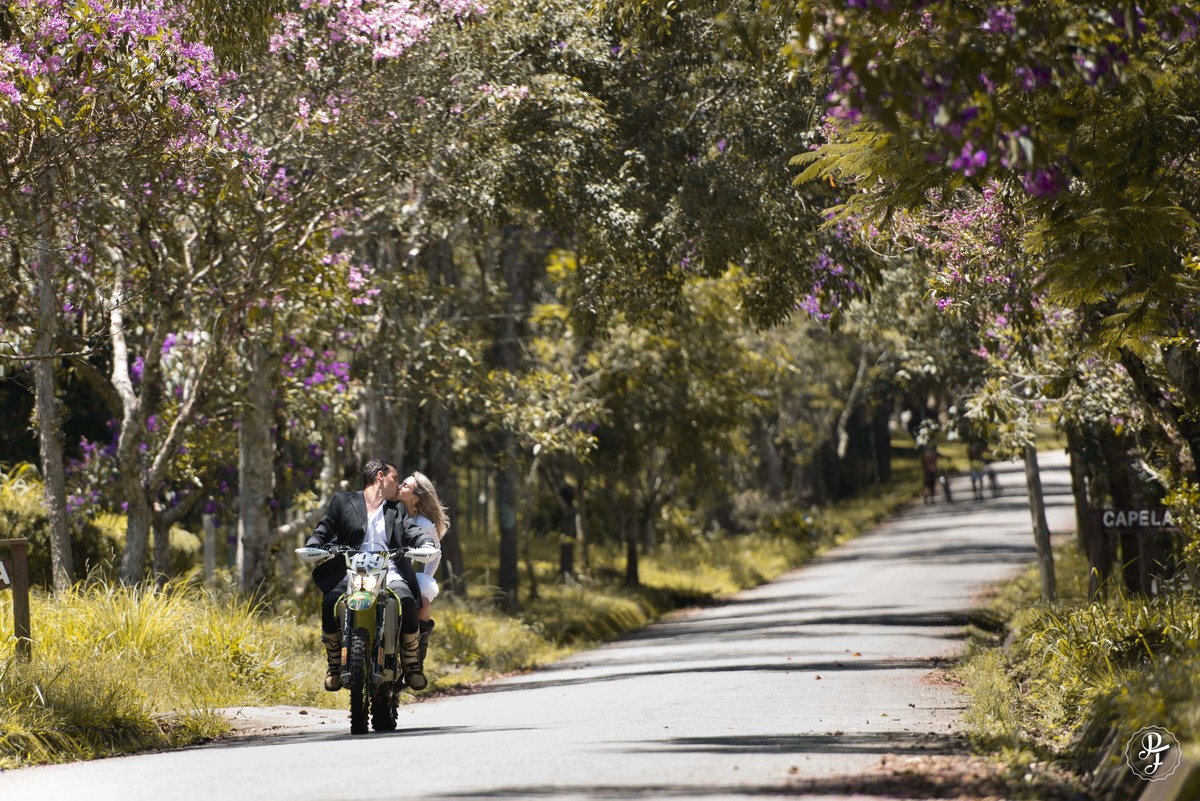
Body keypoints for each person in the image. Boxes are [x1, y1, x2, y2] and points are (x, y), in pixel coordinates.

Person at [305, 459, 436, 692]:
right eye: (395, 478)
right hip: (350, 571)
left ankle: (411, 663)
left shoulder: (396, 510)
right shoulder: (342, 502)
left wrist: (424, 542)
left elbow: (413, 532)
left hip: (390, 570)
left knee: (407, 600)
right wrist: (314, 544)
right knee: (328, 603)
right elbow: (323, 530)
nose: (397, 486)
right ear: (380, 476)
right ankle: (334, 665)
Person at [396, 471, 449, 672]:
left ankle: (417, 655)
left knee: (423, 601)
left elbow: (436, 554)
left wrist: (426, 578)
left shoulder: (424, 525)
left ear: (416, 497)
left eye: (405, 486)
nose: (399, 487)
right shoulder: (387, 511)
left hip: (407, 572)